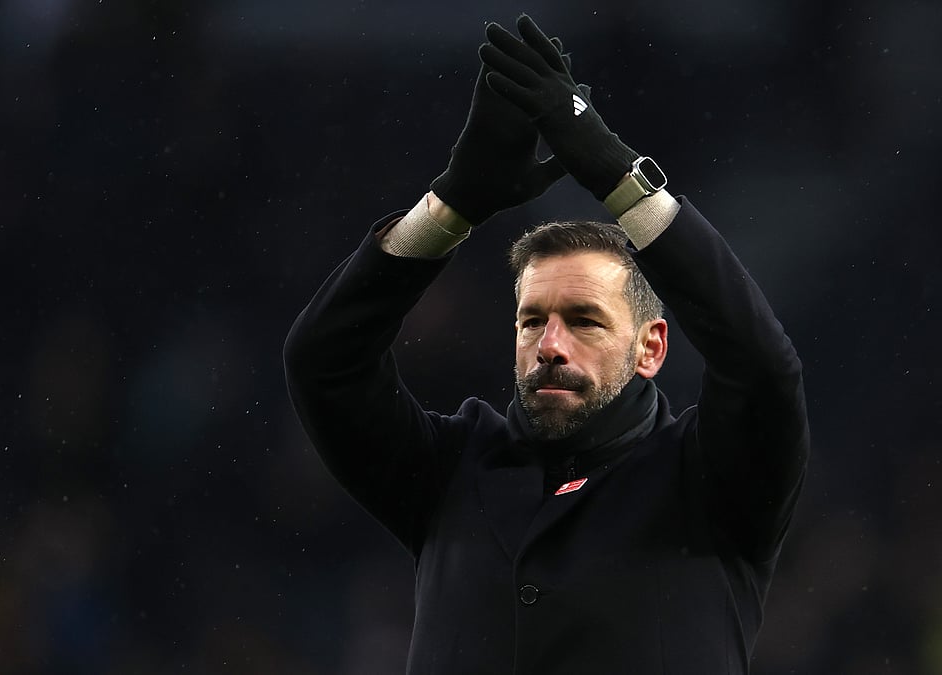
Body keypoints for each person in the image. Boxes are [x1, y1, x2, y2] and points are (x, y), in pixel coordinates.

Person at [283, 15, 809, 674]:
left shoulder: (709, 479)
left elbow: (763, 368)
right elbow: (323, 361)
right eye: (532, 320)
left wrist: (621, 177)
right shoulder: (450, 471)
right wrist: (452, 204)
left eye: (585, 320)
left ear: (650, 348)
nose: (550, 343)